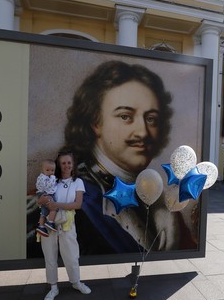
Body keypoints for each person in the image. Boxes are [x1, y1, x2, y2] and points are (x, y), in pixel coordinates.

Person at [62, 60, 191, 255]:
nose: (143, 132)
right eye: (125, 116)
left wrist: (160, 206)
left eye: (151, 119)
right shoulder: (70, 198)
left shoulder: (164, 204)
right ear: (95, 122)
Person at [37, 151, 91, 300]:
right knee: (50, 256)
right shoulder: (51, 180)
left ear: (73, 164)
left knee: (72, 256)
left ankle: (76, 282)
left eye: (69, 162)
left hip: (67, 224)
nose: (66, 166)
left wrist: (57, 205)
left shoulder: (78, 182)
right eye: (63, 163)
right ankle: (53, 287)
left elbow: (78, 204)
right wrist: (42, 200)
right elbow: (39, 202)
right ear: (59, 165)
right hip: (49, 223)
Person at [35, 159, 58, 237]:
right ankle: (50, 222)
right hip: (45, 194)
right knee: (54, 208)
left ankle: (41, 227)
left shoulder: (42, 177)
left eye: (52, 170)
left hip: (42, 194)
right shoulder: (44, 178)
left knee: (43, 213)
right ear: (42, 170)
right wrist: (52, 178)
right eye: (47, 170)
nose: (50, 172)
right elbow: (48, 186)